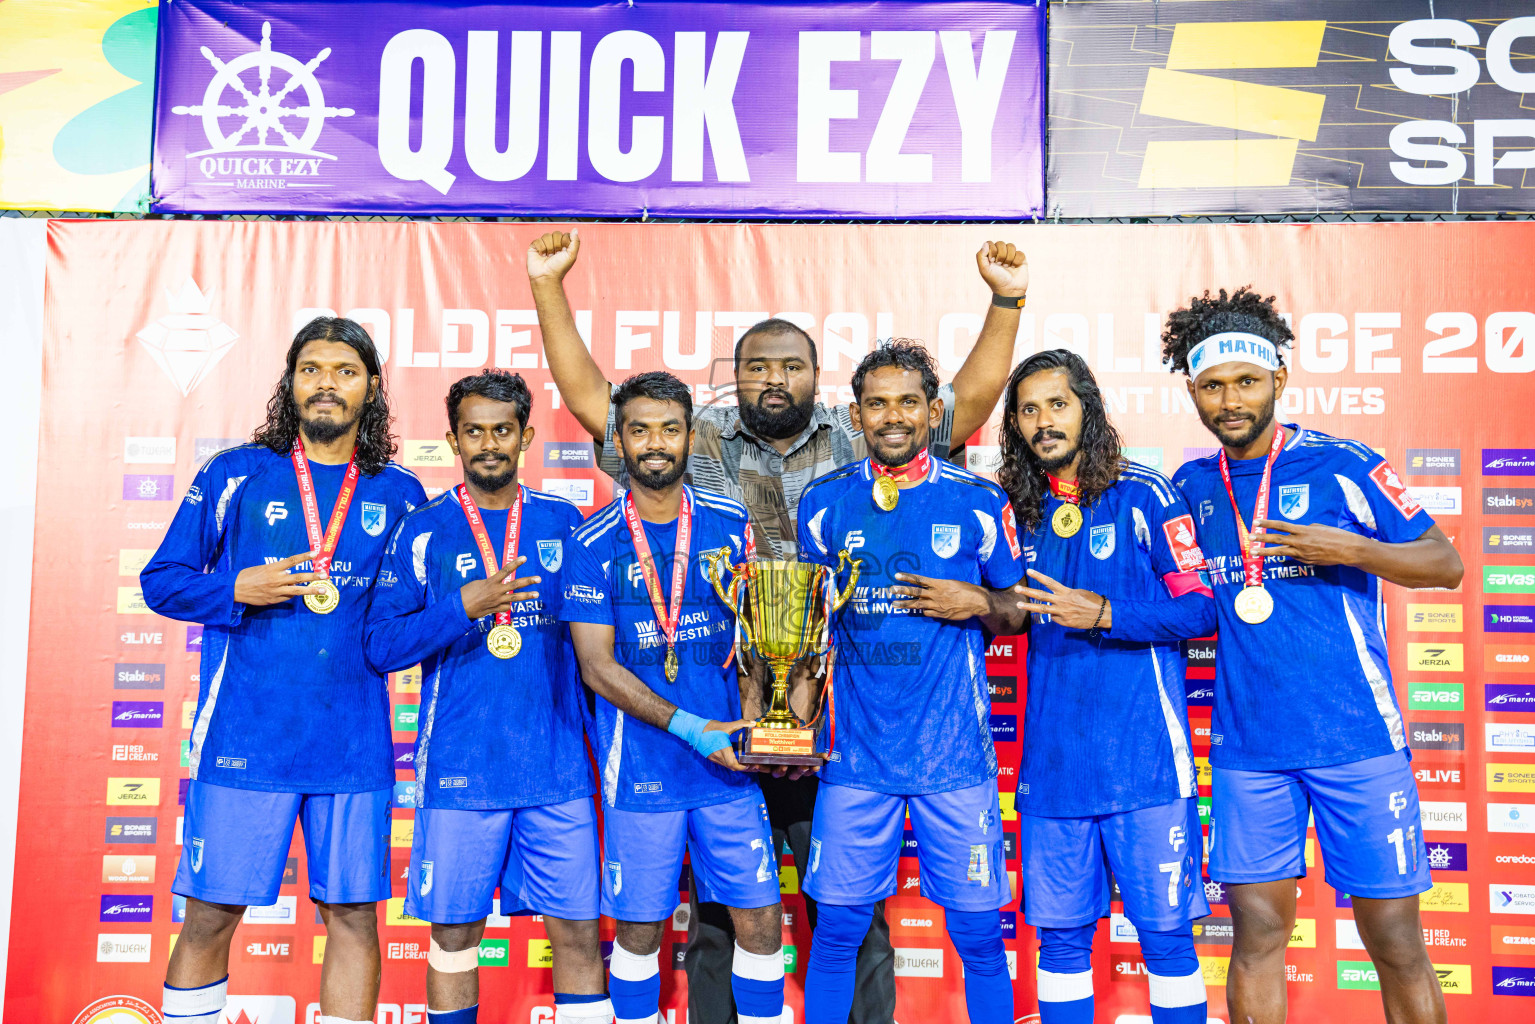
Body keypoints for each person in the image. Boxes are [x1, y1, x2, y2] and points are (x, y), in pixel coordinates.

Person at [528, 229, 1029, 1023]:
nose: (772, 378)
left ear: (816, 379)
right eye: (755, 366)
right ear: (733, 380)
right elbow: (597, 400)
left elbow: (961, 402)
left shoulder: (855, 431)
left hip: (824, 710)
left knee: (846, 914)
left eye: (788, 365)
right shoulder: (694, 439)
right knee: (720, 914)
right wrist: (547, 286)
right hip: (722, 706)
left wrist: (1003, 302)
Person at [1165, 288, 1462, 1024]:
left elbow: (1444, 562)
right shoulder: (1189, 485)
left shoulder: (1342, 465)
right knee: (1256, 936)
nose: (1229, 400)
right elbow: (1182, 598)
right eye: (1212, 386)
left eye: (1246, 382)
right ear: (1192, 390)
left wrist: (1352, 549)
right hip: (1249, 752)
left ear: (1279, 381)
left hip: (1356, 741)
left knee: (1394, 941)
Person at [142, 318, 427, 1024]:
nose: (326, 383)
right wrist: (236, 587)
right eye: (311, 369)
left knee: (356, 918)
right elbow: (162, 580)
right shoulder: (236, 473)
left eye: (344, 370)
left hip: (353, 745)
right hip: (246, 738)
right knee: (209, 916)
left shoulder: (400, 492)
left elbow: (411, 621)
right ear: (290, 382)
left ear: (371, 388)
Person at [363, 371, 608, 1024]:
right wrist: (460, 608)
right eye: (474, 431)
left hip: (557, 772)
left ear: (525, 436)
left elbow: (596, 650)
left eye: (502, 430)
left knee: (579, 935)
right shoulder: (423, 530)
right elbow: (381, 646)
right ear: (451, 439)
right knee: (452, 940)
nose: (489, 443)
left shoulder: (564, 522)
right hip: (461, 772)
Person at [795, 341, 1022, 1024]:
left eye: (906, 402)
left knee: (981, 937)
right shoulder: (823, 504)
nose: (891, 416)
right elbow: (804, 630)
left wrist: (978, 603)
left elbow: (1018, 611)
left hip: (955, 759)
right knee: (834, 932)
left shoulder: (980, 501)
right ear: (855, 414)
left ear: (932, 410)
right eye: (875, 403)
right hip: (854, 759)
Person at [994, 349, 1216, 1024]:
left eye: (1056, 404)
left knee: (1167, 939)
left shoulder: (1144, 493)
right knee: (1059, 941)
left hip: (1145, 767)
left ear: (1086, 408)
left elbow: (1202, 607)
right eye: (1027, 410)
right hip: (1054, 773)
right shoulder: (1015, 511)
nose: (1042, 422)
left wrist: (1108, 614)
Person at [560, 371, 785, 1024]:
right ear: (619, 441)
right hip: (643, 770)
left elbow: (753, 639)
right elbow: (596, 667)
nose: (654, 442)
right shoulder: (590, 542)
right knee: (638, 932)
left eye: (668, 428)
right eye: (638, 429)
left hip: (728, 769)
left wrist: (749, 719)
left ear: (691, 435)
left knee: (761, 922)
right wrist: (694, 728)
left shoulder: (731, 523)